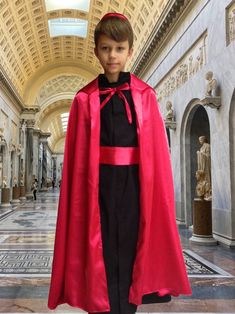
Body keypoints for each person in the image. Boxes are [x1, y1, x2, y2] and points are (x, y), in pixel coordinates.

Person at [48, 12, 191, 314]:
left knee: (129, 249)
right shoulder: (84, 100)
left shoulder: (145, 96)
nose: (112, 56)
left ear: (130, 50)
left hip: (135, 188)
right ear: (96, 51)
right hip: (95, 189)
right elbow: (76, 162)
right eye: (105, 48)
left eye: (119, 48)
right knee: (101, 250)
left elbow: (157, 159)